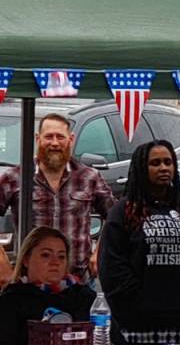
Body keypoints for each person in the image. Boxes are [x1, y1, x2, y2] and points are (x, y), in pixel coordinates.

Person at [98, 140, 180, 345]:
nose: (163, 168)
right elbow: (111, 266)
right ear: (142, 168)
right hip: (135, 328)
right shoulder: (123, 212)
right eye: (155, 163)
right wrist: (136, 301)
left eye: (168, 162)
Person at [0, 113, 114, 285]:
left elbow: (116, 217)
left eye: (60, 137)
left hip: (79, 282)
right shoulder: (16, 177)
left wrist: (100, 252)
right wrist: (3, 264)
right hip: (30, 283)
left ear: (71, 139)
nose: (54, 143)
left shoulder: (89, 177)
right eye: (49, 137)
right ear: (38, 139)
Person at [0, 226, 96, 345]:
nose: (55, 262)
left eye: (61, 257)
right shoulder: (10, 301)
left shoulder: (85, 297)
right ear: (26, 260)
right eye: (46, 255)